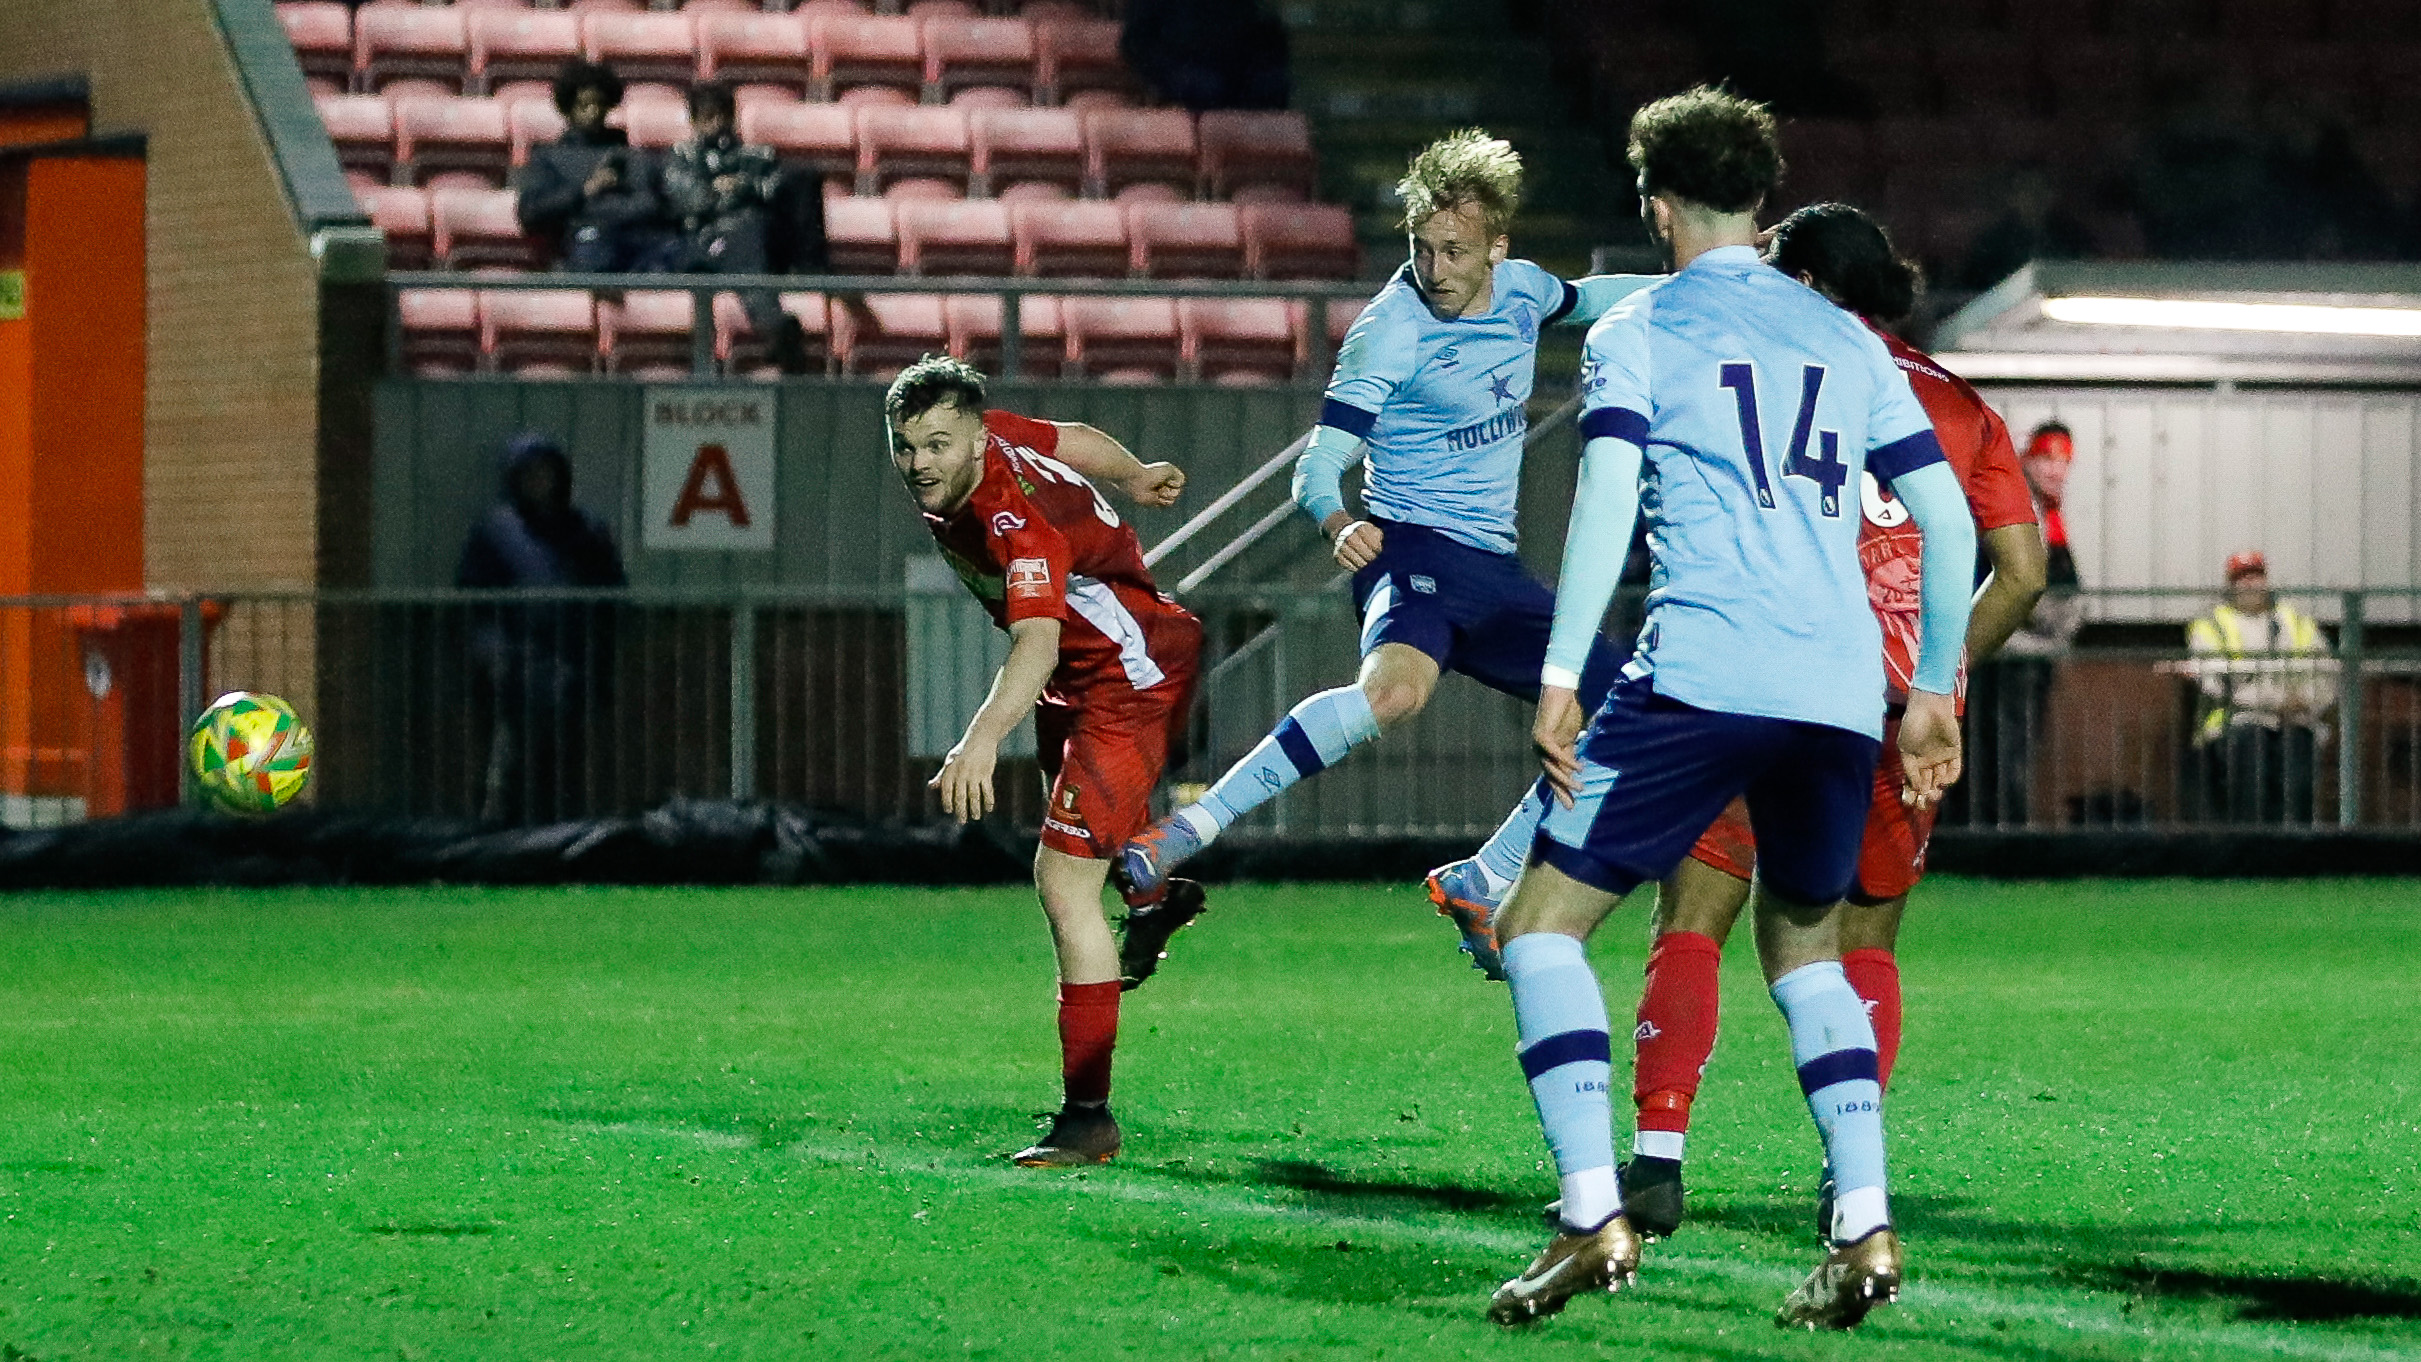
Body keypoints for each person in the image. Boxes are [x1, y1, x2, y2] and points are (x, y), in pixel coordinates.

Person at [1480, 87, 1975, 1331]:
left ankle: (1592, 1211)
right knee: (1807, 952)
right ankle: (1864, 1229)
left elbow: (1604, 497)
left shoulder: (1643, 328)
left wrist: (1555, 676)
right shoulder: (1850, 341)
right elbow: (1953, 522)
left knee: (1537, 927)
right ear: (1761, 202)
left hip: (1698, 672)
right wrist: (1929, 692)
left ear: (1656, 205)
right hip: (1835, 691)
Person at [1113, 130, 1656, 976]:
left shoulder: (1521, 292)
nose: (1434, 269)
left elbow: (1591, 298)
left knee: (1629, 705)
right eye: (1420, 248)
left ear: (1497, 248)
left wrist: (1712, 280)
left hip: (1495, 570)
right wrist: (1335, 521)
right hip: (1410, 549)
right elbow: (1317, 465)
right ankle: (1187, 828)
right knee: (1394, 695)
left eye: (1453, 251)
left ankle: (1486, 876)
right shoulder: (1389, 331)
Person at [1615, 202, 2047, 1244]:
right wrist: (1935, 681)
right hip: (1902, 710)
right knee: (1863, 941)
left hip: (1772, 676)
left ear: (1805, 286)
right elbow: (2022, 573)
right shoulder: (1965, 408)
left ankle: (1658, 1160)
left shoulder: (1784, 379)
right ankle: (1849, 1179)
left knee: (1698, 912)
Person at [884, 356, 1201, 1167]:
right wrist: (1134, 475)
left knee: (1063, 882)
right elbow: (1072, 440)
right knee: (1089, 852)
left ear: (974, 438)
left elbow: (1038, 637)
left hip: (1125, 678)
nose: (920, 462)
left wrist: (979, 738)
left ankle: (1087, 1117)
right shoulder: (991, 443)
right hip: (1090, 675)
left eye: (936, 445)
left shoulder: (1004, 517)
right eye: (906, 444)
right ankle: (1155, 894)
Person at [456, 432, 629, 825]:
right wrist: (494, 658)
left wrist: (597, 661)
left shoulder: (584, 529)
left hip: (570, 676)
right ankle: (498, 845)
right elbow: (473, 603)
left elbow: (611, 595)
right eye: (529, 473)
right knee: (508, 765)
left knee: (566, 769)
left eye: (546, 473)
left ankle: (560, 845)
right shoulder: (494, 531)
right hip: (514, 677)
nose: (539, 481)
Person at [1968, 420, 2081, 825]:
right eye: (2046, 459)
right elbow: (2022, 584)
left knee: (2014, 746)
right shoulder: (2018, 509)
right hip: (2007, 653)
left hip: (2028, 653)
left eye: (2064, 461)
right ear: (2027, 461)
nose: (2056, 470)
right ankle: (2000, 831)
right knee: (2001, 747)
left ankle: (2002, 826)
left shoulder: (2048, 513)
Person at [662, 81, 810, 373]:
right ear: (693, 121)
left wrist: (732, 188)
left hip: (756, 238)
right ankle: (774, 327)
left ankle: (774, 332)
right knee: (743, 238)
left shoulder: (758, 155)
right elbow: (691, 201)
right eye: (706, 118)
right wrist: (739, 191)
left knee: (749, 232)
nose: (715, 124)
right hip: (702, 244)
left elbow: (774, 190)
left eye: (721, 116)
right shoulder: (682, 156)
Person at [2186, 551, 2333, 824]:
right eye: (2242, 577)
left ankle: (2295, 855)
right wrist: (2274, 701)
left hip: (2296, 722)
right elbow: (2216, 682)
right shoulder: (2212, 625)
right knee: (2250, 783)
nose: (2251, 583)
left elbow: (2324, 673)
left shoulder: (2296, 621)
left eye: (2256, 575)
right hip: (2236, 724)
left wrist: (2305, 700)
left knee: (2298, 783)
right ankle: (2251, 853)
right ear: (2230, 585)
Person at [513, 61, 683, 274]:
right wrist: (585, 191)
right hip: (590, 241)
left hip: (642, 239)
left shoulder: (636, 157)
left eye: (599, 104)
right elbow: (529, 212)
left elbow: (660, 205)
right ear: (569, 108)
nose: (593, 112)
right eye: (584, 105)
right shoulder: (549, 157)